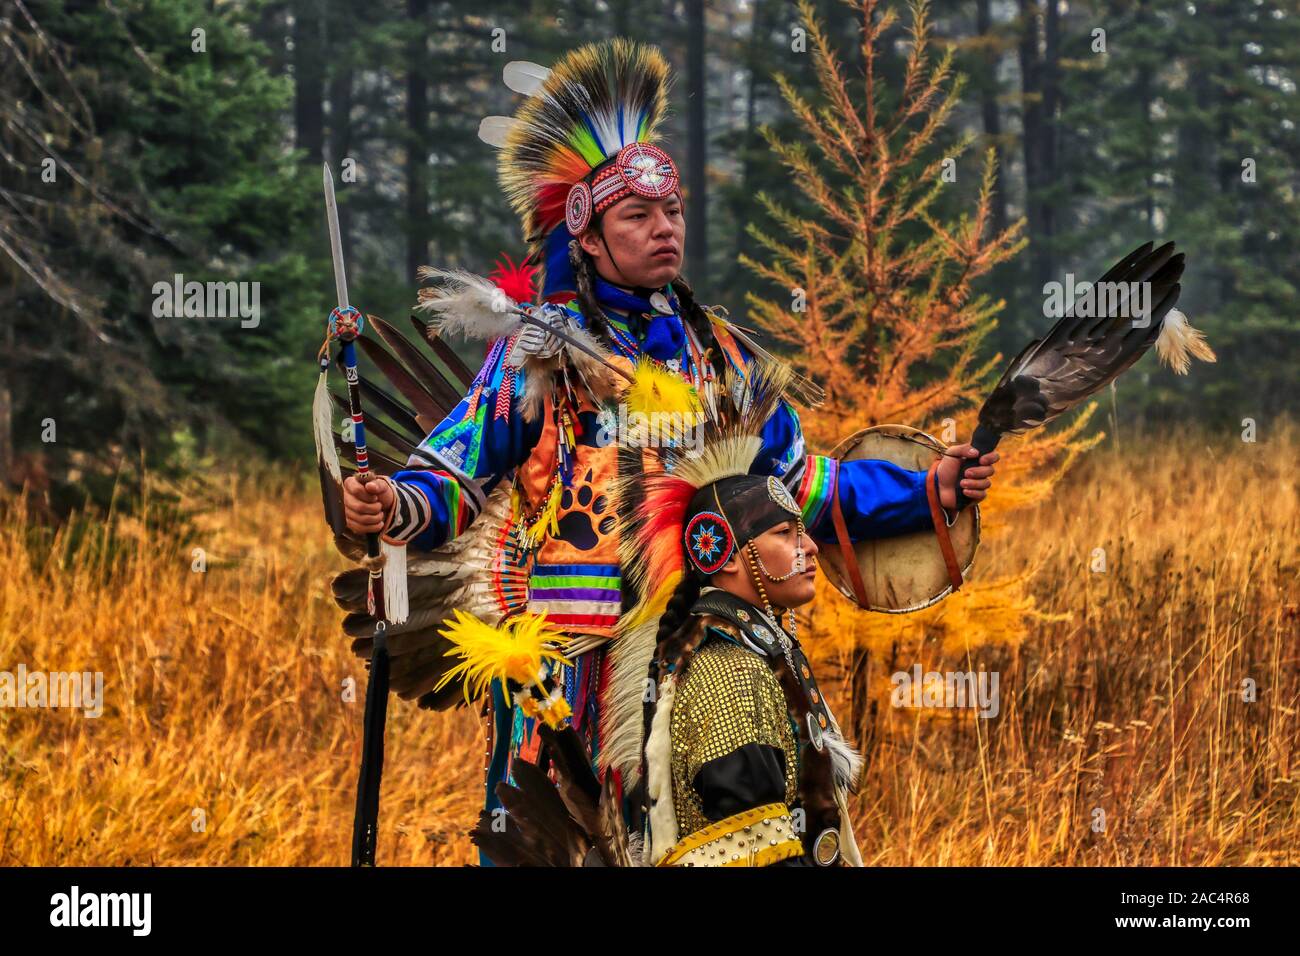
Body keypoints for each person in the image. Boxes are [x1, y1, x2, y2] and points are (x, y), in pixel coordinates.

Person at [337, 39, 997, 834]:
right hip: (568, 667)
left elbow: (806, 487)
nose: (663, 230)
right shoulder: (538, 356)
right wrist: (392, 506)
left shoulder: (721, 355)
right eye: (638, 216)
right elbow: (454, 474)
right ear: (586, 233)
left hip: (708, 657)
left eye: (673, 211)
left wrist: (929, 491)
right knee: (561, 843)